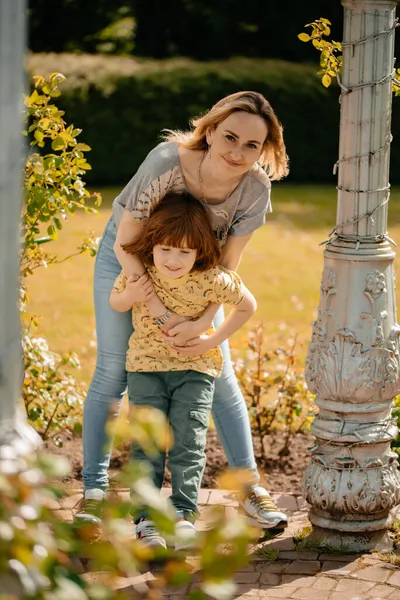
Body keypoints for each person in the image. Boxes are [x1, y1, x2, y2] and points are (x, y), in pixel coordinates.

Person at [75, 90, 289, 532]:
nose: (238, 152)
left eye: (252, 145)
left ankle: (248, 488)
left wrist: (202, 323)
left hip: (200, 273)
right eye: (230, 137)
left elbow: (227, 268)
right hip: (131, 261)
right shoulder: (166, 162)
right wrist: (154, 307)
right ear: (209, 131)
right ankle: (94, 492)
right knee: (115, 369)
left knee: (217, 370)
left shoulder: (254, 188)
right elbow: (124, 242)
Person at [110, 192, 257, 550]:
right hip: (146, 368)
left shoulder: (211, 278)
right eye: (166, 249)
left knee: (188, 443)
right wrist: (132, 294)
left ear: (199, 252)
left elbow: (247, 306)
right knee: (147, 444)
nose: (174, 260)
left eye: (185, 252)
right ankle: (146, 523)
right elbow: (117, 301)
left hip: (196, 369)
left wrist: (212, 341)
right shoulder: (140, 272)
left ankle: (182, 516)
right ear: (152, 246)